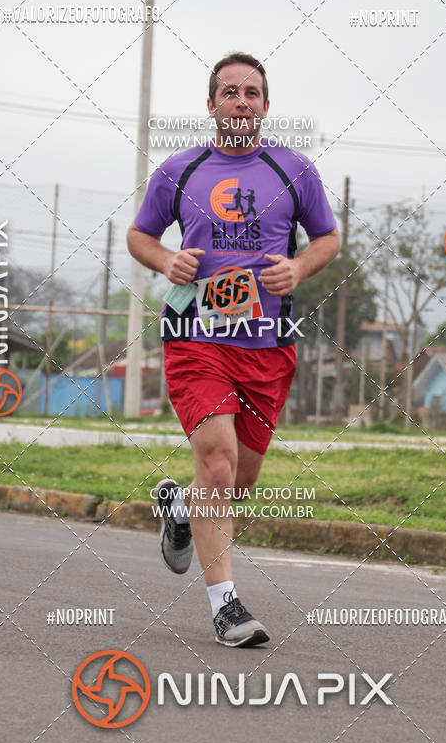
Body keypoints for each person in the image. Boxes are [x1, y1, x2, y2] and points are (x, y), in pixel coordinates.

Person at [127, 52, 340, 647]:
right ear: (212, 104)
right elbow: (139, 234)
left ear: (266, 106)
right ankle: (227, 606)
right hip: (196, 336)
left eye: (252, 92)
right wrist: (167, 259)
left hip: (266, 344)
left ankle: (180, 510)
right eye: (230, 91)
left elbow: (328, 238)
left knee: (236, 482)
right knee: (217, 462)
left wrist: (297, 268)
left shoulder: (293, 169)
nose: (241, 101)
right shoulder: (181, 170)